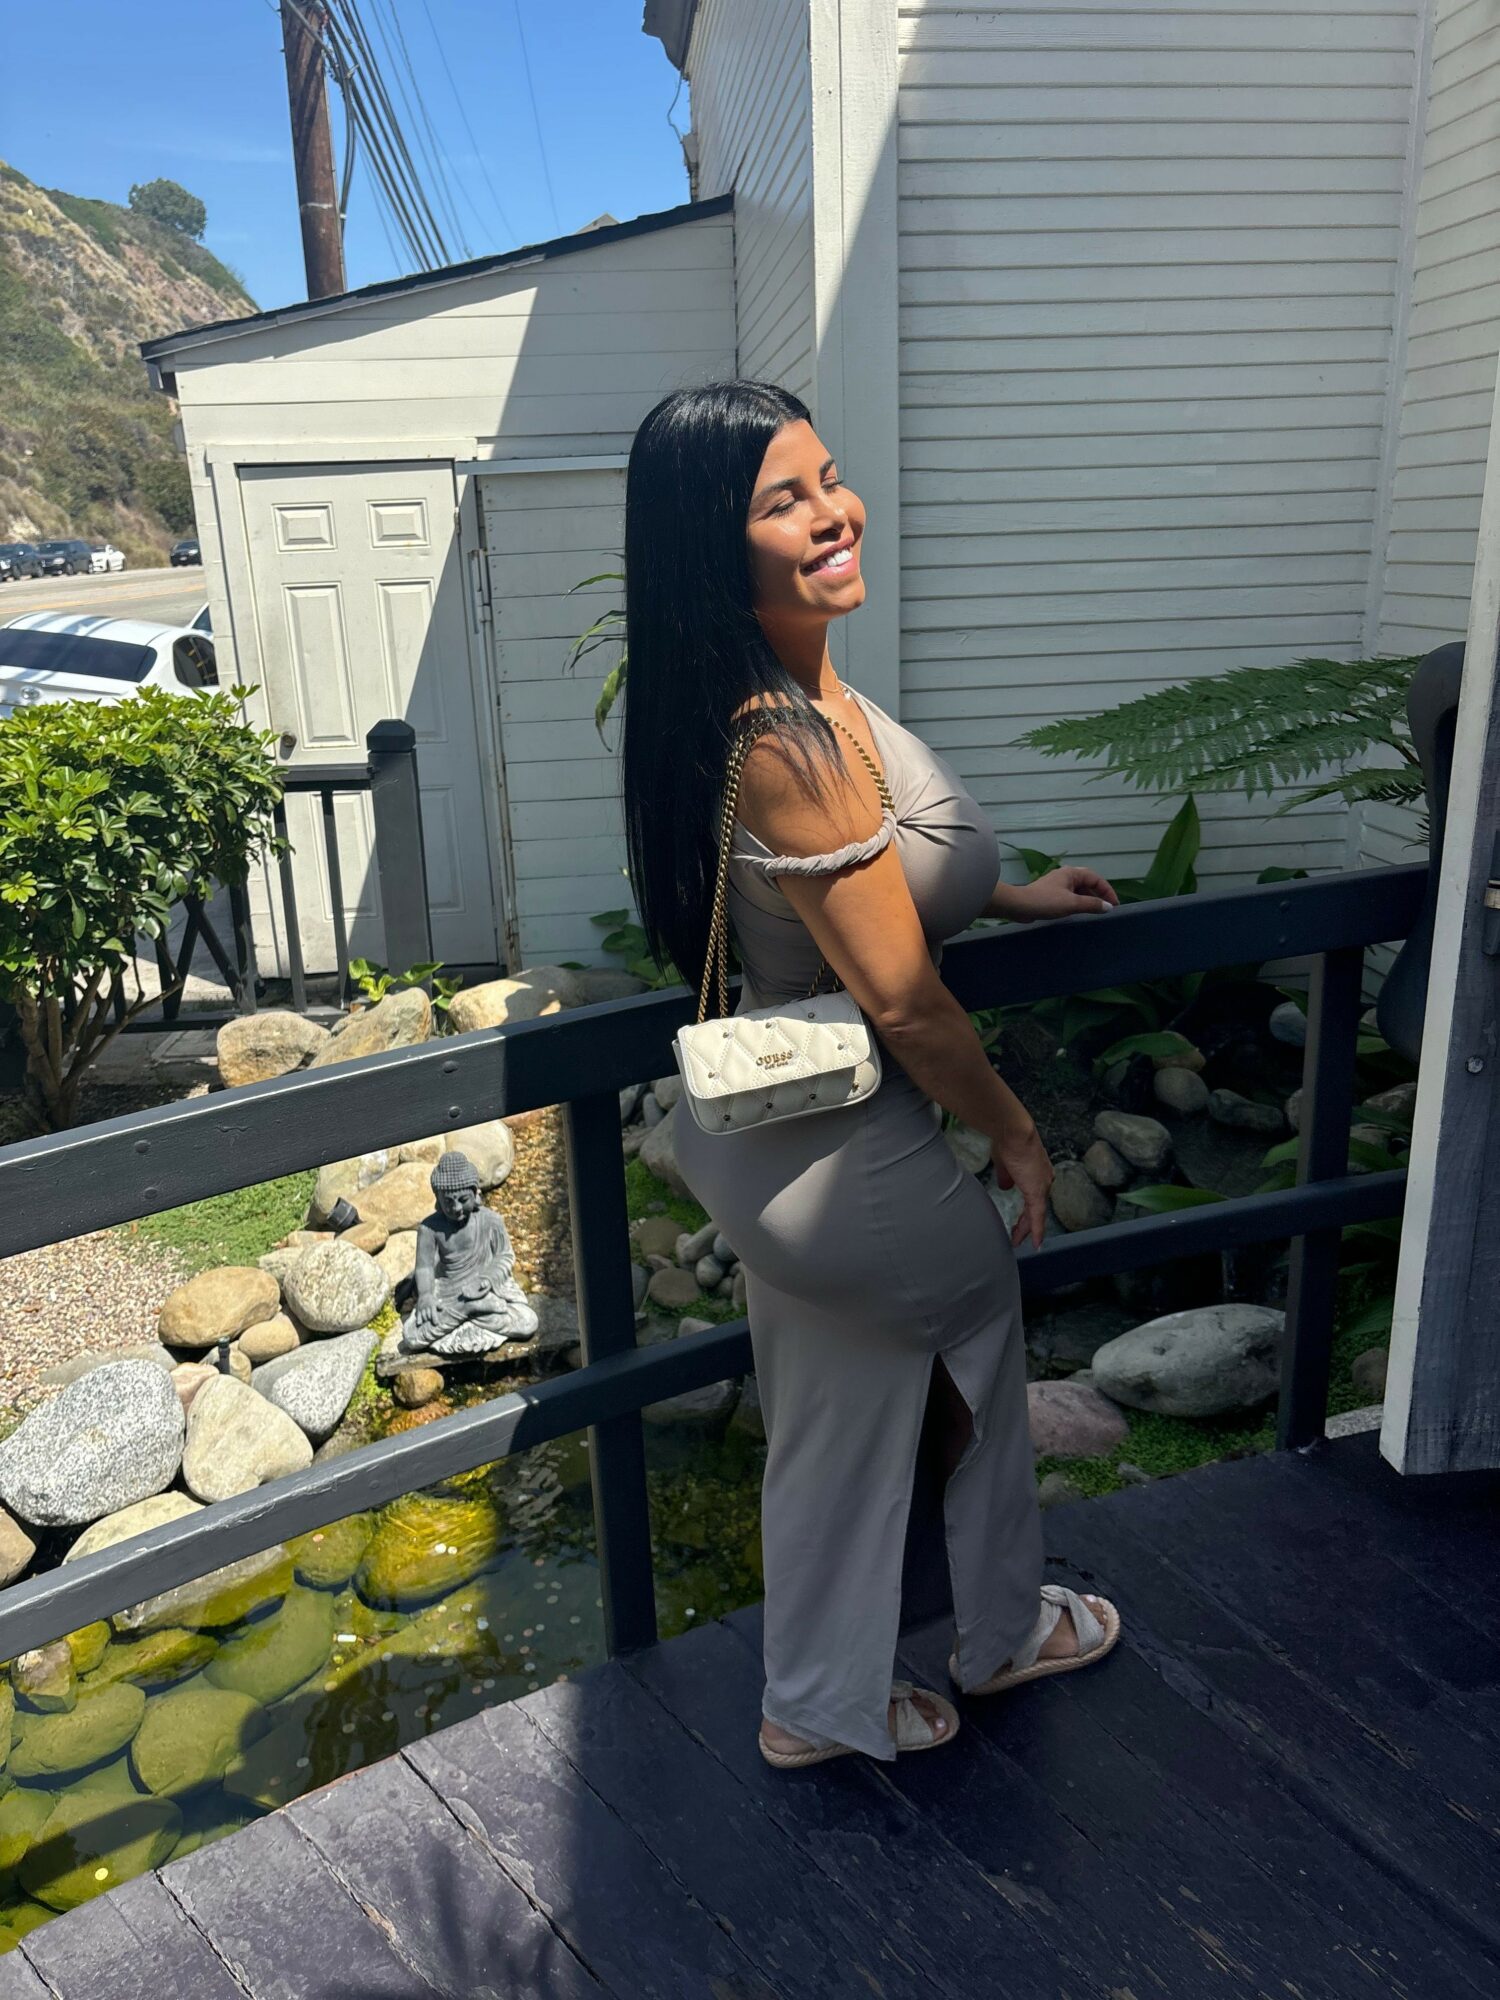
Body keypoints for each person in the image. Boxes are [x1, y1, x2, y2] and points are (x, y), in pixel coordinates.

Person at [621, 379, 1122, 1769]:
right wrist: (1017, 1133)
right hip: (852, 1149)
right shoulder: (784, 738)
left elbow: (862, 884)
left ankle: (815, 1703)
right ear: (711, 545)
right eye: (784, 501)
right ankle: (1002, 1633)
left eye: (828, 478)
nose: (835, 512)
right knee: (979, 1342)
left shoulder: (782, 692)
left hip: (778, 1145)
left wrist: (1006, 894)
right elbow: (902, 996)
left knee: (834, 1425)